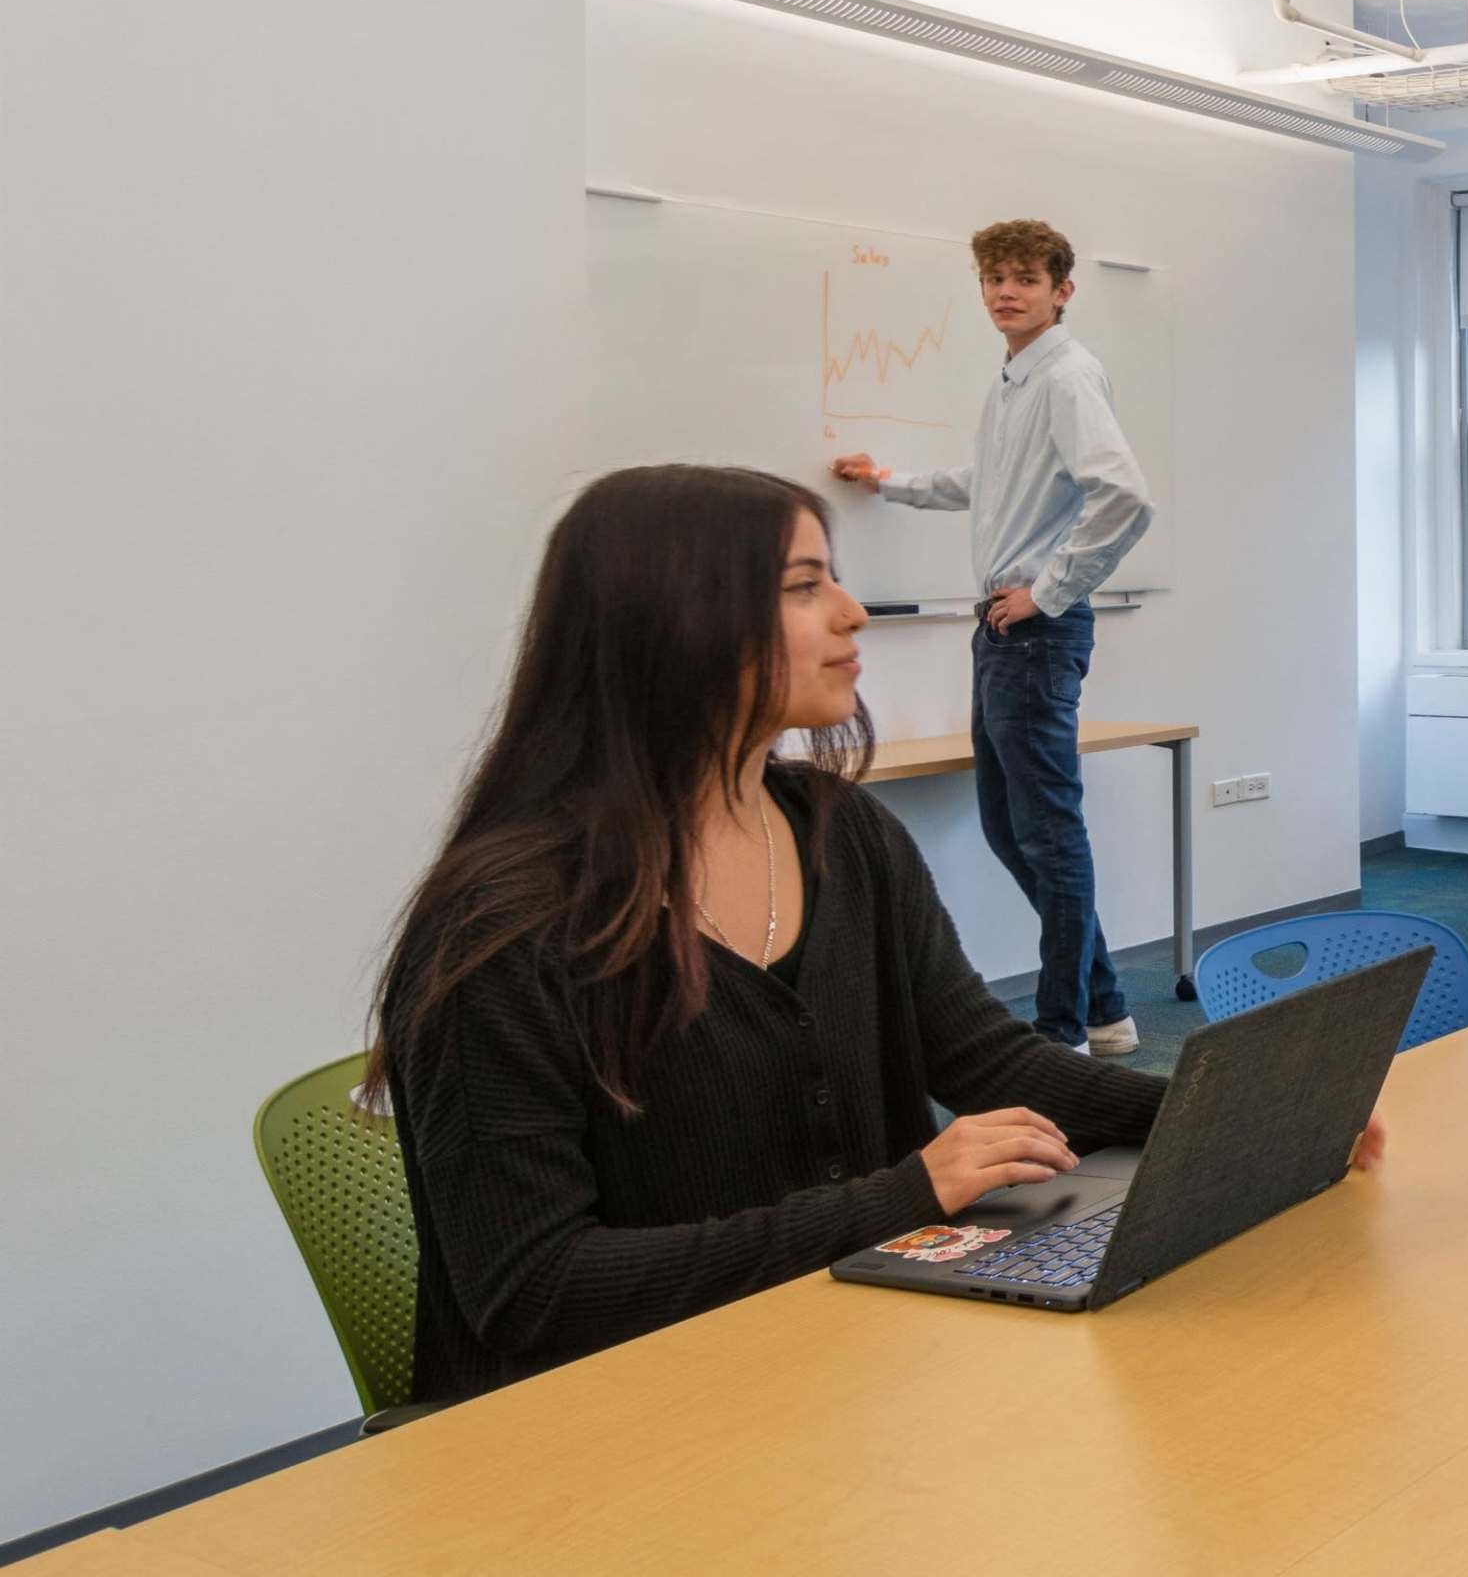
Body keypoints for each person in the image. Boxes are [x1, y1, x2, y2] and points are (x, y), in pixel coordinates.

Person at [369, 466, 1379, 1408]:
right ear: (673, 624)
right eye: (807, 586)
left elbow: (983, 1054)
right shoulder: (504, 932)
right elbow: (535, 1290)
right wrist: (904, 1195)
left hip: (838, 1379)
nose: (854, 613)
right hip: (608, 1435)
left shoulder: (834, 830)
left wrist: (1229, 1115)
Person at [832, 218, 1153, 1055]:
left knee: (1047, 831)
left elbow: (1125, 497)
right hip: (1004, 634)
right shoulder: (1015, 378)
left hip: (1035, 633)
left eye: (1023, 278)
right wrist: (890, 483)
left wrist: (1047, 593)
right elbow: (993, 481)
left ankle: (1061, 1031)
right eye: (993, 279)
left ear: (1061, 291)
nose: (1005, 291)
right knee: (1010, 828)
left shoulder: (1067, 377)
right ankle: (1106, 1006)